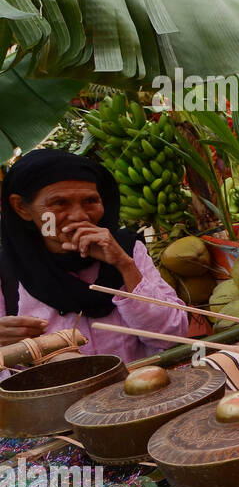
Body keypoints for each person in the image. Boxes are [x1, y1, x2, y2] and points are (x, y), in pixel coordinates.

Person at [0, 148, 187, 361]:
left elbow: (172, 337)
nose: (79, 216)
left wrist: (124, 265)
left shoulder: (127, 250)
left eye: (90, 201)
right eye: (59, 203)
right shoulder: (8, 271)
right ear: (22, 208)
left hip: (139, 388)